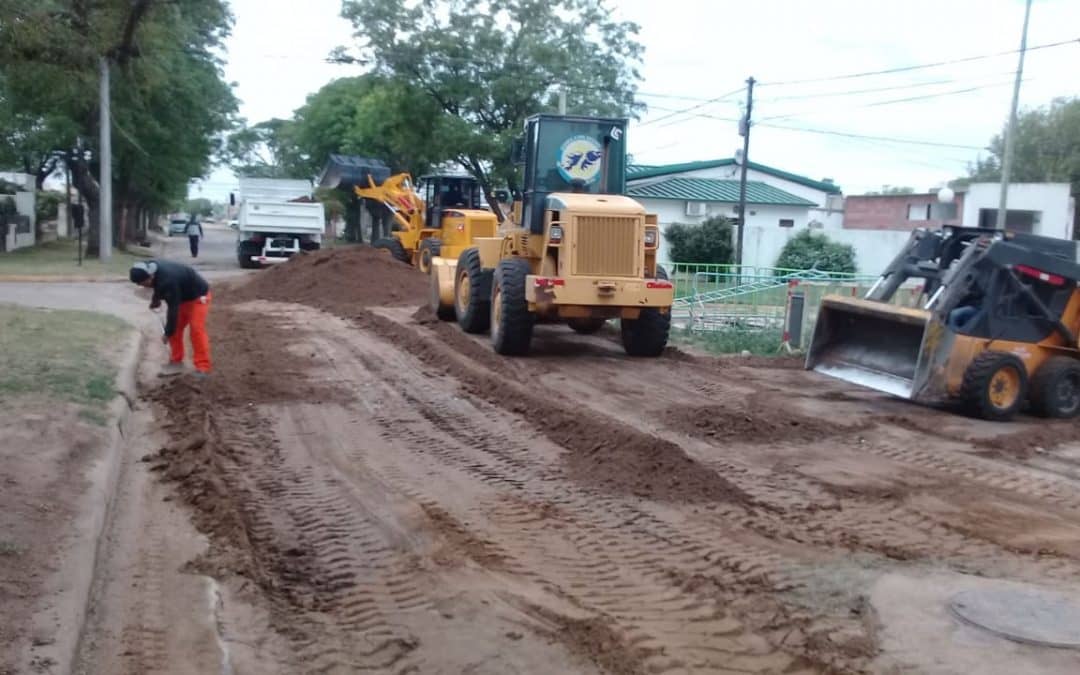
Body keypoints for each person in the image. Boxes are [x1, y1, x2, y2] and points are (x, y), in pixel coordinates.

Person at [129, 260, 212, 376]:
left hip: (198, 296)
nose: (141, 286)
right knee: (176, 329)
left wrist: (167, 333)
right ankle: (176, 362)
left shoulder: (168, 280)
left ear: (150, 276)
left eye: (142, 283)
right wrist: (155, 300)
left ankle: (203, 367)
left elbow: (173, 310)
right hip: (182, 297)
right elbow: (157, 285)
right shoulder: (150, 267)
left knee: (196, 329)